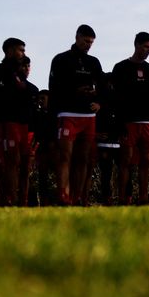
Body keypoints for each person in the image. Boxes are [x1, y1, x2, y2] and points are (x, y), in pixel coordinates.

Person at [48, 24, 105, 205]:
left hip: (88, 116)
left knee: (83, 158)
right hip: (67, 114)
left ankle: (77, 197)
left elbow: (103, 86)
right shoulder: (61, 59)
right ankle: (63, 195)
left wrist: (99, 102)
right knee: (65, 156)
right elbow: (54, 88)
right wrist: (75, 91)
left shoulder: (94, 62)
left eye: (91, 42)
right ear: (77, 37)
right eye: (86, 41)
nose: (88, 45)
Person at [109, 32, 149, 204]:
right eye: (146, 46)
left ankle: (143, 198)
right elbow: (115, 98)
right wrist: (119, 124)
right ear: (137, 45)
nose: (148, 50)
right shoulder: (121, 67)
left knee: (146, 161)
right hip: (129, 122)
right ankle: (123, 198)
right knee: (126, 161)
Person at [0, 38, 37, 207]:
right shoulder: (1, 70)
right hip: (8, 123)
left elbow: (28, 92)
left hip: (26, 125)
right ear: (9, 50)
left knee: (24, 165)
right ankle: (8, 199)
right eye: (20, 50)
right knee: (11, 162)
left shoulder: (25, 80)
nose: (23, 53)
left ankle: (22, 201)